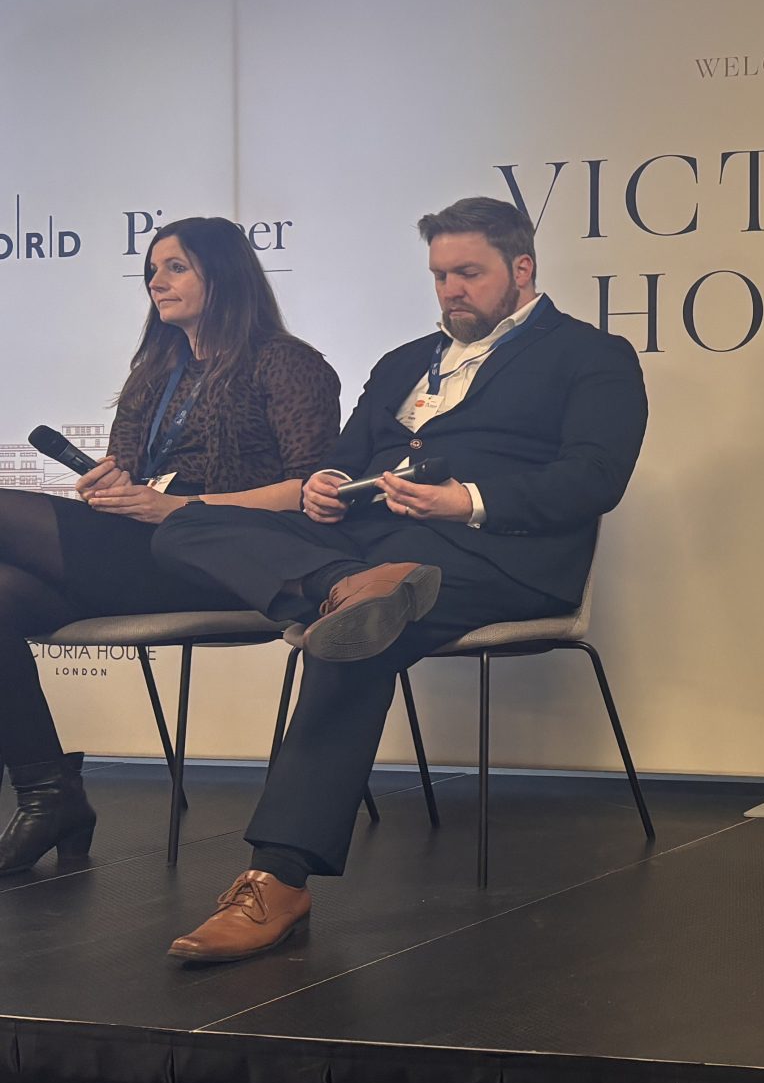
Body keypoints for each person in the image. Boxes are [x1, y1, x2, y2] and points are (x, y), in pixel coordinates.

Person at [149, 196, 647, 963]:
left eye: (469, 273)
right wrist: (326, 487)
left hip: (492, 556)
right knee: (186, 526)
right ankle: (344, 584)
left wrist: (466, 501)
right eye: (440, 275)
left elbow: (594, 478)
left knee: (353, 639)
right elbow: (345, 461)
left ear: (522, 268)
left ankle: (277, 879)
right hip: (369, 549)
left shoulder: (591, 355)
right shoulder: (402, 362)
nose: (452, 290)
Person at [0, 218, 339, 875]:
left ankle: (50, 798)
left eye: (176, 267)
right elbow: (131, 479)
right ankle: (49, 795)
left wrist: (179, 508)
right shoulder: (154, 374)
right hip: (147, 551)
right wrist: (111, 490)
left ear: (224, 274)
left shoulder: (286, 362)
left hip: (233, 563)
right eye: (153, 269)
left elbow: (311, 489)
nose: (157, 281)